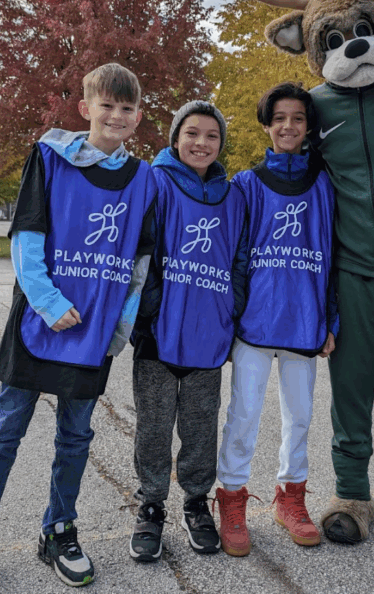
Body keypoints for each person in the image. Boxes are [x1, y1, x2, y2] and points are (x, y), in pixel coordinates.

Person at [0, 63, 157, 593]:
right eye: (107, 105)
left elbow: (140, 262)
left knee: (76, 437)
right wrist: (47, 302)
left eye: (127, 108)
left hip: (93, 332)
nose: (117, 115)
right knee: (3, 432)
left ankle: (58, 530)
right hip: (41, 323)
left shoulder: (145, 178)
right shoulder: (49, 158)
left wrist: (120, 327)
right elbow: (26, 236)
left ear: (138, 116)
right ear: (86, 108)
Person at [214, 82, 337, 557]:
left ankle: (291, 498)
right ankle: (232, 499)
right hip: (255, 324)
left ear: (308, 128)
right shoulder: (246, 185)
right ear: (267, 125)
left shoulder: (325, 185)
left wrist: (332, 320)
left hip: (305, 322)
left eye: (298, 119)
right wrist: (230, 318)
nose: (288, 126)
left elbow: (333, 255)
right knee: (242, 415)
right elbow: (232, 259)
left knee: (300, 418)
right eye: (280, 118)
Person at [128, 100, 248, 563]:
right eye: (192, 133)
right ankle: (151, 505)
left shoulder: (232, 195)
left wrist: (229, 312)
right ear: (176, 138)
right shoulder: (154, 182)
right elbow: (143, 251)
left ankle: (196, 503)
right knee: (154, 429)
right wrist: (152, 314)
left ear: (221, 143)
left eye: (212, 136)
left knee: (200, 430)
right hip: (159, 334)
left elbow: (239, 261)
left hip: (209, 335)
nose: (201, 143)